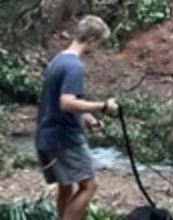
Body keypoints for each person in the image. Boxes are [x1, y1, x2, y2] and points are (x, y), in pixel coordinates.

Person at [35, 15, 119, 220]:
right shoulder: (74, 66)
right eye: (99, 43)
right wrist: (103, 106)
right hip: (65, 139)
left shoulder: (58, 60)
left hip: (46, 136)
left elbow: (57, 102)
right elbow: (67, 102)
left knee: (66, 188)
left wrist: (88, 117)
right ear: (91, 38)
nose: (96, 49)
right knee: (89, 186)